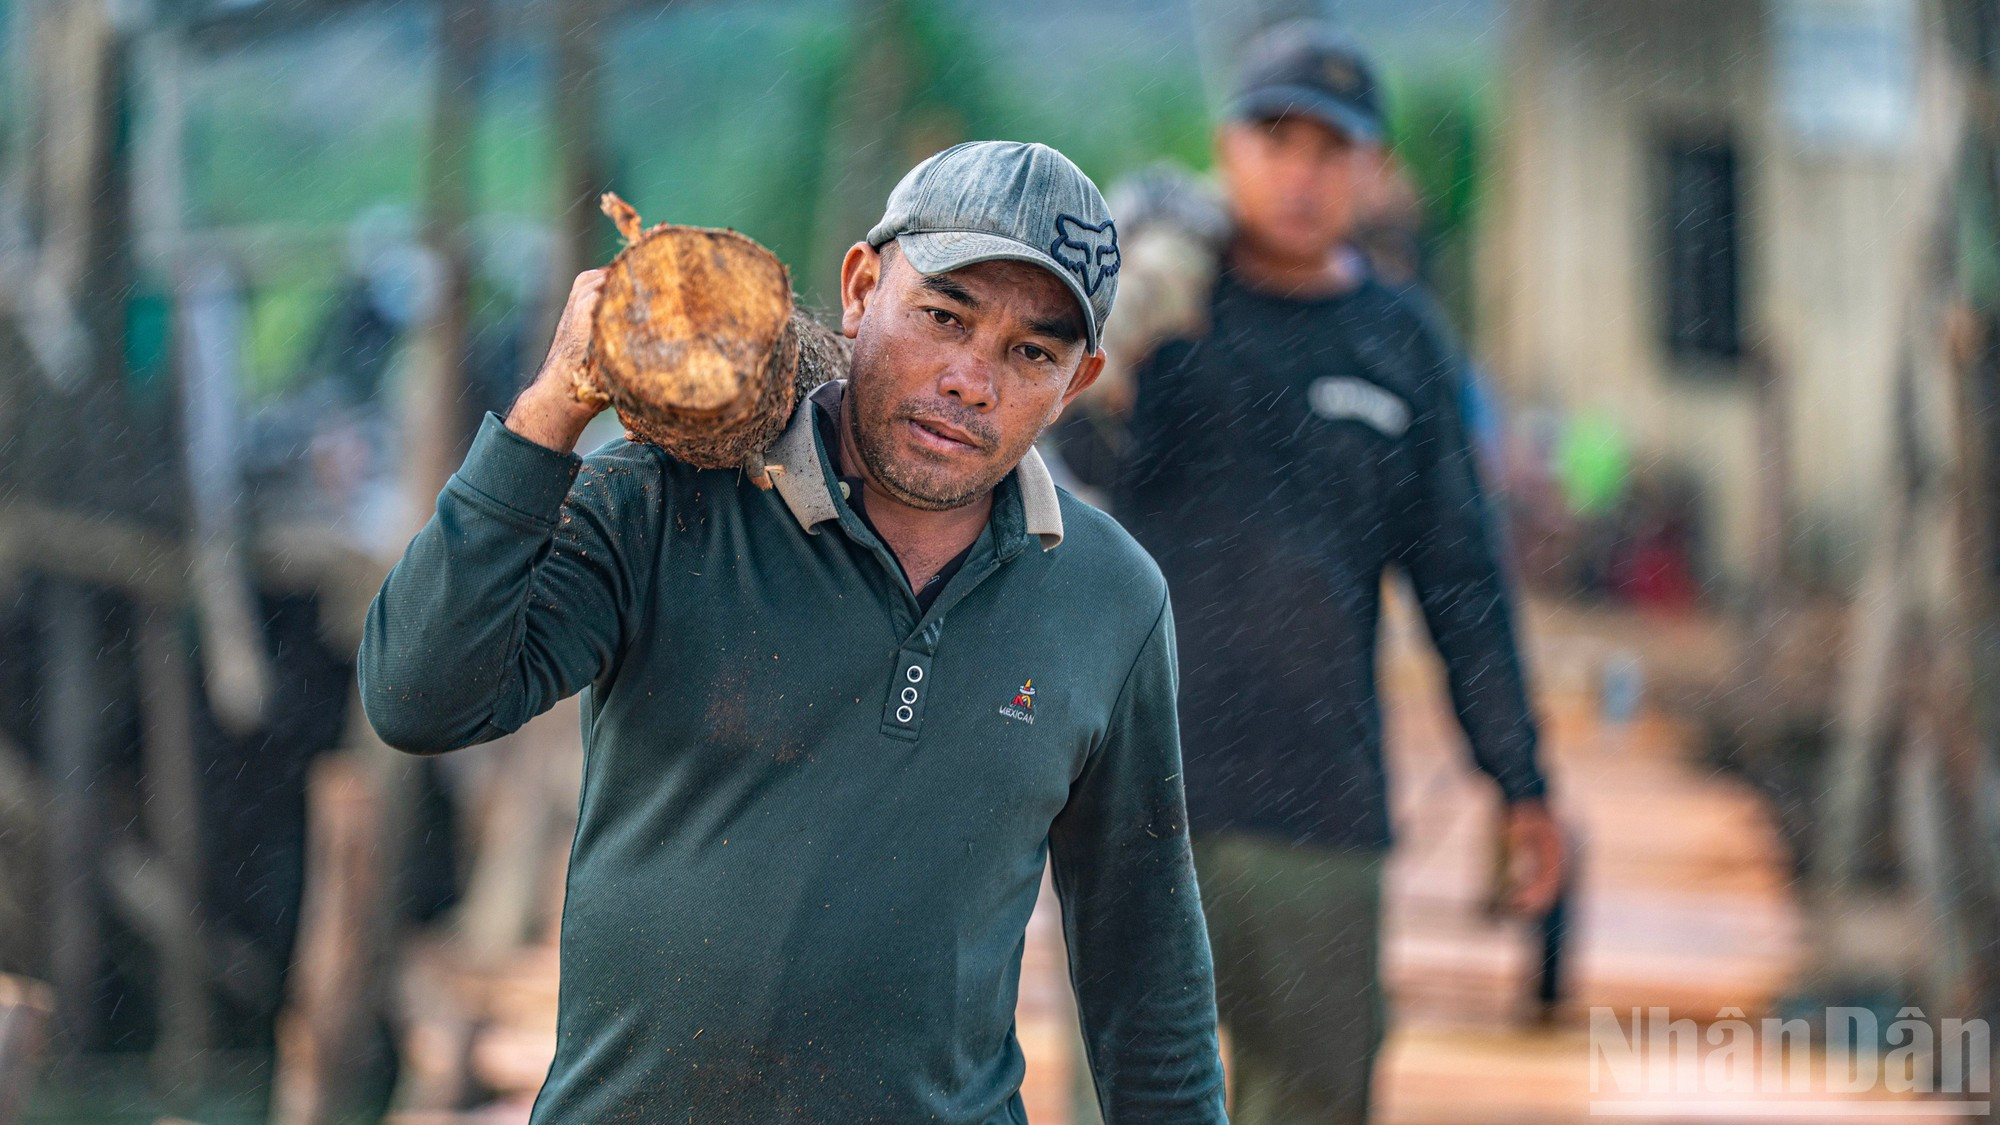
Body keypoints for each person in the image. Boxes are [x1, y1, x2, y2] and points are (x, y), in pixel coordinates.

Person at [358, 140, 1227, 1124]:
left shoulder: (1108, 597)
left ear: (1078, 382)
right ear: (860, 289)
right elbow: (420, 696)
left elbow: (1144, 958)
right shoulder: (663, 502)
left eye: (1031, 352)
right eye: (943, 317)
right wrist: (551, 410)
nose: (970, 379)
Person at [1109, 25, 1565, 1124]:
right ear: (1226, 148)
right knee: (1125, 1101)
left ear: (1375, 170)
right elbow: (1067, 474)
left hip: (1318, 815)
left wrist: (1519, 781)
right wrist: (1109, 340)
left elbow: (1461, 582)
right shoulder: (1162, 310)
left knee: (1312, 1101)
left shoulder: (1399, 343)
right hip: (1138, 802)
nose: (1301, 174)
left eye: (1332, 149)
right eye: (1275, 140)